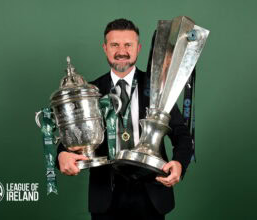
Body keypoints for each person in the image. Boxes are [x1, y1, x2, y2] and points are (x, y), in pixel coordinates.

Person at [56, 18, 193, 220]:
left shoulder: (159, 87)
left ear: (138, 48)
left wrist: (179, 164)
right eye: (115, 45)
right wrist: (61, 155)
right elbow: (70, 132)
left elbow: (182, 135)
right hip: (105, 195)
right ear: (105, 48)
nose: (122, 51)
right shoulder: (89, 92)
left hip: (152, 193)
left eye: (128, 44)